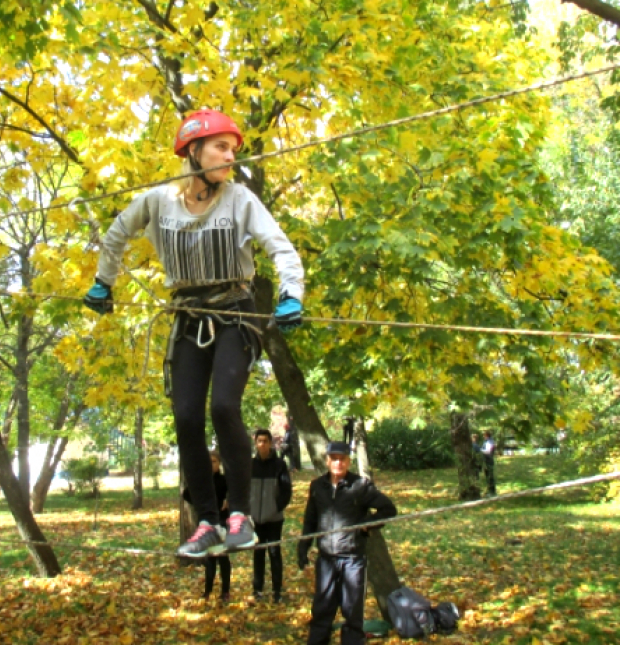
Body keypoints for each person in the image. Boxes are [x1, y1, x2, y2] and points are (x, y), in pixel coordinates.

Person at [83, 109, 305, 557]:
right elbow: (116, 234)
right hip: (187, 315)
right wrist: (104, 281)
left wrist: (291, 293)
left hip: (236, 312)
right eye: (221, 147)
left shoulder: (240, 199)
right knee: (185, 417)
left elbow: (280, 247)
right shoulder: (158, 200)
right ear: (192, 150)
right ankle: (207, 521)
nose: (230, 157)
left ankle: (238, 515)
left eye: (234, 150)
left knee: (224, 406)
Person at [298, 441, 397, 645]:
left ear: (348, 461)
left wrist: (366, 524)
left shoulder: (360, 486)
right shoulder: (317, 486)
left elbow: (388, 509)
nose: (338, 463)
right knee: (322, 609)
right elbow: (310, 519)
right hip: (326, 559)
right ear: (327, 460)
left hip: (352, 559)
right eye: (333, 459)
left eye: (342, 459)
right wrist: (303, 547)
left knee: (352, 611)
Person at [184, 451, 232, 602]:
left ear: (219, 464)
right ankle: (208, 591)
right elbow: (186, 494)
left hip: (222, 522)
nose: (212, 465)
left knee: (223, 558)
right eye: (209, 462)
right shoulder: (202, 481)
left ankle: (225, 591)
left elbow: (237, 493)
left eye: (214, 462)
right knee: (210, 558)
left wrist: (228, 500)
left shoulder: (225, 481)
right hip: (206, 523)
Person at [250, 428, 292, 603]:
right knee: (258, 554)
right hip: (256, 520)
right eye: (259, 441)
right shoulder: (250, 465)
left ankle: (277, 591)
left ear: (270, 443)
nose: (262, 444)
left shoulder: (279, 465)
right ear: (256, 443)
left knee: (274, 553)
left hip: (274, 518)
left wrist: (276, 507)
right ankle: (258, 589)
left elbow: (286, 490)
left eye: (265, 441)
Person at [481, 431, 497, 496]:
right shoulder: (488, 441)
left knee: (490, 476)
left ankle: (492, 491)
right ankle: (489, 490)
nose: (483, 436)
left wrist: (480, 450)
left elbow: (488, 451)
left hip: (488, 461)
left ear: (486, 435)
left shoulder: (489, 442)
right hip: (487, 460)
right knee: (488, 476)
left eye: (484, 435)